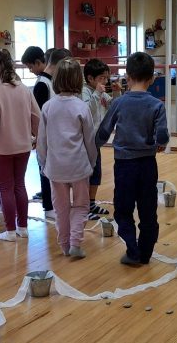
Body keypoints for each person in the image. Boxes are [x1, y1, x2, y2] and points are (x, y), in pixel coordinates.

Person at [96, 52, 170, 266]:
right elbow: (162, 135)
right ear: (152, 78)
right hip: (147, 164)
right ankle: (145, 253)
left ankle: (132, 250)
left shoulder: (119, 103)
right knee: (148, 211)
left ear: (127, 77)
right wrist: (160, 143)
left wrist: (93, 147)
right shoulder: (157, 104)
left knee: (123, 209)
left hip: (124, 165)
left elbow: (104, 131)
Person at [37, 60, 98, 258]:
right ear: (78, 80)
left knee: (60, 208)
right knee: (81, 205)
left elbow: (41, 140)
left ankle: (64, 245)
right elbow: (90, 140)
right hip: (78, 166)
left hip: (55, 168)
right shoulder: (81, 106)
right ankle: (75, 243)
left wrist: (43, 163)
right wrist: (92, 161)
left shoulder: (48, 107)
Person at [0, 49, 41, 241]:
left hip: (3, 149)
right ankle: (22, 228)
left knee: (6, 188)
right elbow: (37, 116)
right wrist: (38, 137)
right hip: (23, 146)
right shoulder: (24, 89)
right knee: (19, 185)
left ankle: (10, 231)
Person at [26, 47, 70, 218]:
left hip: (57, 135)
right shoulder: (42, 84)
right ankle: (49, 206)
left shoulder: (53, 82)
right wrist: (38, 138)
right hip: (46, 137)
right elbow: (38, 116)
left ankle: (56, 202)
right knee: (45, 170)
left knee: (56, 171)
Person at [82, 58, 111, 219]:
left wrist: (117, 92)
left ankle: (91, 203)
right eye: (101, 78)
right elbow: (87, 110)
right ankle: (84, 207)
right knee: (86, 174)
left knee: (96, 173)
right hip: (85, 141)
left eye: (106, 78)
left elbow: (113, 107)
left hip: (96, 141)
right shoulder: (84, 91)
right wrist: (98, 93)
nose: (105, 81)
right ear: (90, 78)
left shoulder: (101, 92)